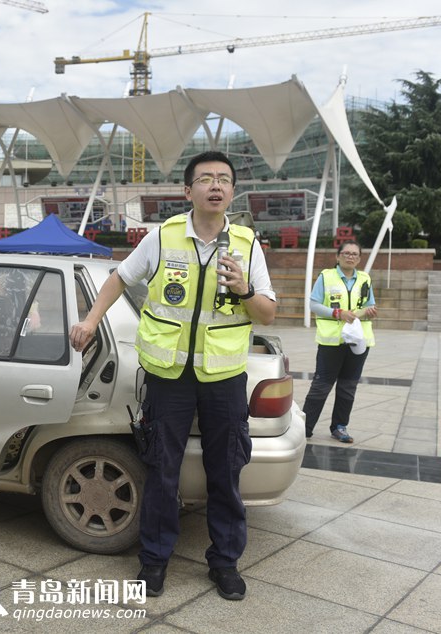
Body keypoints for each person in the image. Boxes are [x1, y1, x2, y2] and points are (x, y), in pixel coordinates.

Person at [69, 151, 276, 601]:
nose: (215, 186)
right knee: (162, 470)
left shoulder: (246, 244)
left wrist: (244, 288)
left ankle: (224, 562)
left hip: (223, 379)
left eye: (223, 179)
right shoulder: (163, 238)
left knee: (226, 472)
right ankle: (154, 561)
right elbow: (119, 279)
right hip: (168, 377)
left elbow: (269, 314)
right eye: (205, 179)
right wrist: (89, 320)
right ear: (189, 191)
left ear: (232, 191)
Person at [303, 240, 377, 444]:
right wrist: (337, 313)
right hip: (331, 341)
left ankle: (339, 426)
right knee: (321, 385)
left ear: (359, 258)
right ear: (338, 256)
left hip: (358, 341)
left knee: (348, 386)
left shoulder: (365, 279)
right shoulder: (326, 277)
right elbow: (314, 304)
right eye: (346, 253)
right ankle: (305, 428)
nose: (350, 256)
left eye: (355, 254)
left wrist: (368, 312)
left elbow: (370, 305)